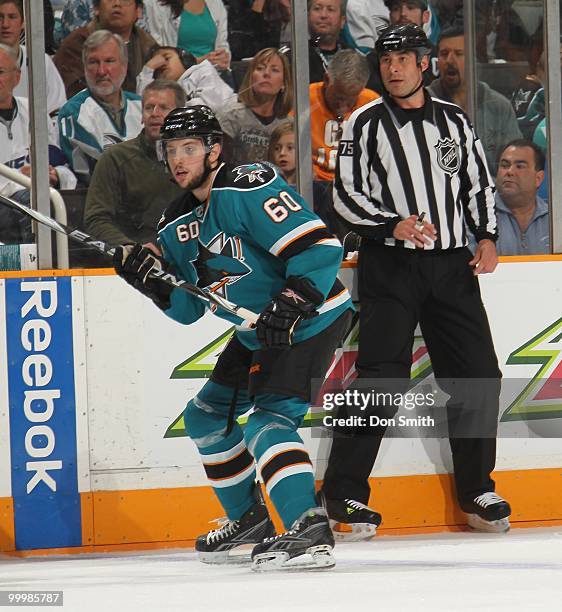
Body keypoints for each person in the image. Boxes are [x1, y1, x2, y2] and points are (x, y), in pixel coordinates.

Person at [112, 105, 354, 570]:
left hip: (312, 317)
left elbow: (320, 246)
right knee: (204, 419)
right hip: (256, 331)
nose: (179, 159)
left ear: (214, 149)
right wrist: (148, 279)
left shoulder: (246, 184)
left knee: (267, 421)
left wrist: (291, 304)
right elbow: (188, 309)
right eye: (171, 150)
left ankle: (309, 527)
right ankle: (249, 518)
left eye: (189, 148)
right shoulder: (173, 222)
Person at [322, 23, 511, 538]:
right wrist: (392, 224)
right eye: (386, 60)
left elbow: (476, 181)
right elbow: (345, 197)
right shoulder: (363, 123)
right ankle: (343, 496)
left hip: (452, 265)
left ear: (423, 63)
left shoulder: (454, 120)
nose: (394, 67)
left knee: (478, 374)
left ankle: (477, 489)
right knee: (381, 379)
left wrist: (487, 236)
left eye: (403, 58)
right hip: (391, 264)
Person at [84, 79, 186, 249]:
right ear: (141, 115)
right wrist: (130, 248)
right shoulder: (115, 159)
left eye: (164, 108)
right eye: (148, 107)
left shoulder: (196, 161)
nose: (154, 113)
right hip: (135, 263)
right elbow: (96, 219)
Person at [0, 45, 76, 244]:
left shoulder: (34, 111)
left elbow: (63, 167)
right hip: (8, 203)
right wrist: (21, 180)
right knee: (33, 199)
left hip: (37, 197)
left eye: (0, 72)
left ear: (16, 77)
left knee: (56, 201)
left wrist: (54, 175)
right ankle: (39, 270)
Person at [428, 25, 522, 174]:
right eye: (444, 54)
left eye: (459, 53)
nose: (449, 61)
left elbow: (515, 163)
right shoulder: (423, 105)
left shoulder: (498, 106)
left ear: (473, 59)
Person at [57, 30, 143, 184]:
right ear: (84, 67)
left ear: (124, 66)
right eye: (93, 62)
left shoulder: (144, 106)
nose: (102, 71)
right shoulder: (73, 112)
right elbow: (98, 173)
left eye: (109, 61)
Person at [54, 0, 158, 98]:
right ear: (96, 8)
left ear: (138, 11)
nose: (117, 3)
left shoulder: (148, 45)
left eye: (125, 0)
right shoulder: (77, 43)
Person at [217, 47, 292, 166]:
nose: (266, 73)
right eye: (260, 68)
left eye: (275, 70)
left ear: (283, 84)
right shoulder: (231, 116)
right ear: (251, 78)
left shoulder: (289, 125)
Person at [0, 0, 66, 114]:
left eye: (12, 17)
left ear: (23, 22)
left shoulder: (41, 62)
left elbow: (57, 111)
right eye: (0, 17)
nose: (5, 24)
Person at [136, 45, 234, 113]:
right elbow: (142, 106)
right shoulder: (165, 91)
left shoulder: (202, 70)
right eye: (156, 68)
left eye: (167, 58)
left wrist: (171, 110)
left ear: (185, 59)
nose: (161, 65)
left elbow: (210, 106)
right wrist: (148, 68)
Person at [366, 0, 436, 92]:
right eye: (396, 9)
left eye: (410, 7)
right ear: (390, 16)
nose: (403, 13)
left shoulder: (440, 55)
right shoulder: (374, 59)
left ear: (425, 16)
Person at [494, 139, 549, 256]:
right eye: (504, 165)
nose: (510, 172)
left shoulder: (554, 220)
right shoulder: (478, 217)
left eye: (519, 166)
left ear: (538, 178)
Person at [143, 0, 230, 72]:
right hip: (175, 80)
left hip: (212, 76)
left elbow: (222, 45)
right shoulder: (153, 4)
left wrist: (223, 58)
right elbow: (157, 53)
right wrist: (198, 62)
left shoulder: (216, 3)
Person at [266, 118, 295, 185]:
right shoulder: (266, 187)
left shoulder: (317, 188)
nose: (282, 153)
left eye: (290, 148)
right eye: (277, 148)